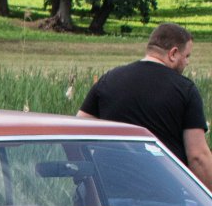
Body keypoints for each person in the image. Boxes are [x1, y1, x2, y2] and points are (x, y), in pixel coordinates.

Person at [77, 22, 212, 191]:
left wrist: (87, 175)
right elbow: (198, 157)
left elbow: (78, 129)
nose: (187, 63)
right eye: (187, 56)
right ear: (173, 53)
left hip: (108, 193)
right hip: (163, 195)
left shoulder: (108, 80)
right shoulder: (185, 89)